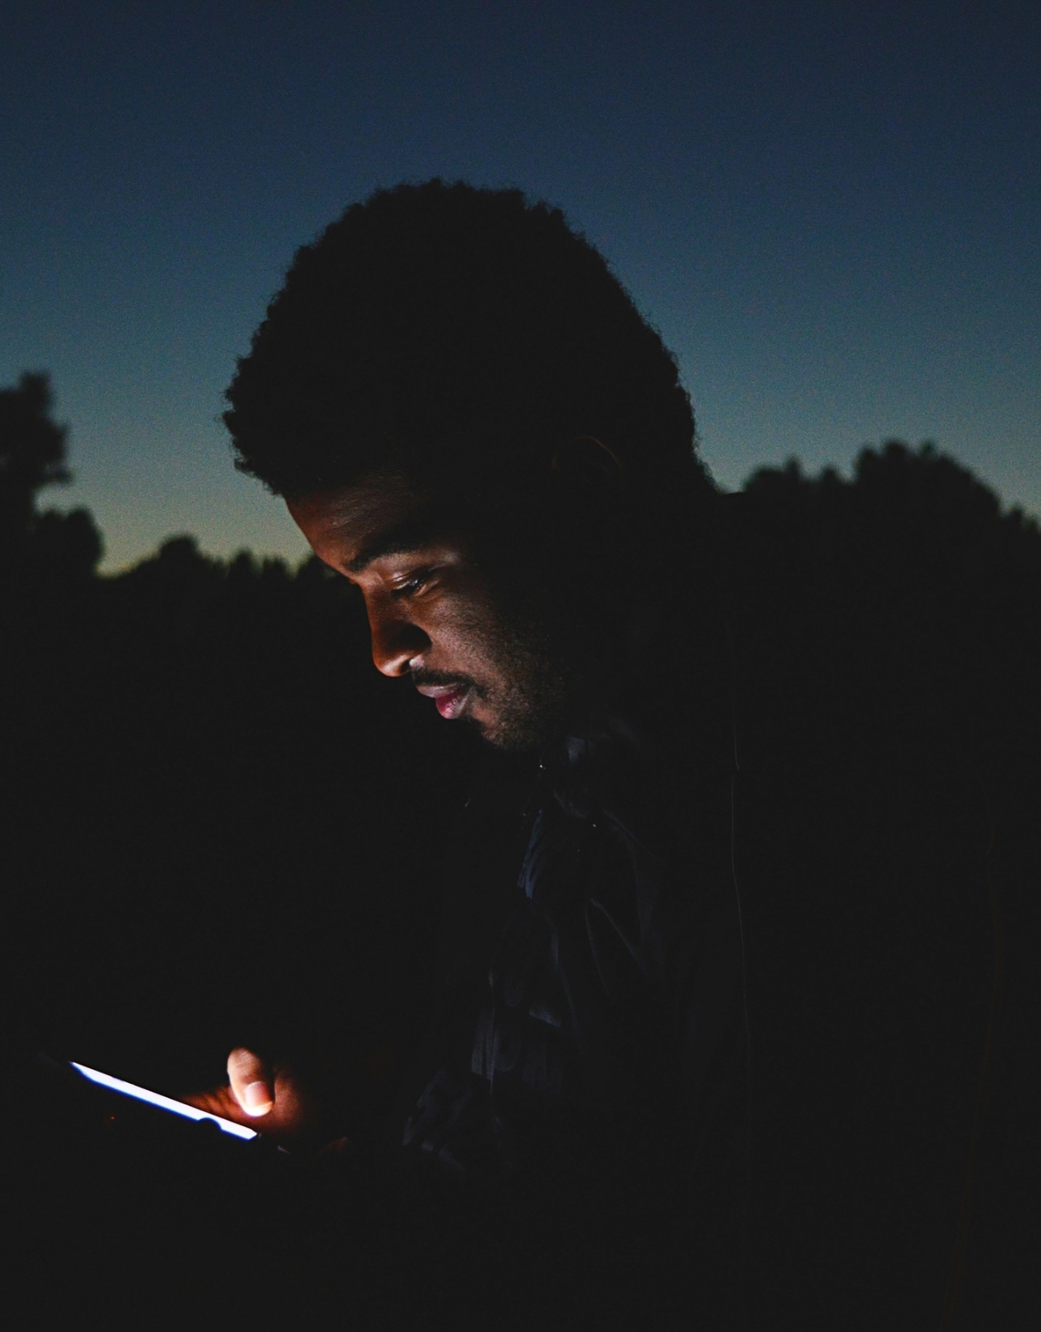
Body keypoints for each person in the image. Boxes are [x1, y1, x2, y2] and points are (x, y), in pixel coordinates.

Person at [187, 181, 752, 1324]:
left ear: (582, 492)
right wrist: (328, 1169)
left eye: (411, 579)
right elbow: (520, 1187)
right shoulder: (530, 777)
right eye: (356, 592)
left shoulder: (762, 816)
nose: (386, 651)